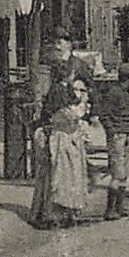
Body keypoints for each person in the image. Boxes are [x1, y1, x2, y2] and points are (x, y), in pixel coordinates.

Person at [30, 78, 93, 228]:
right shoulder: (62, 111)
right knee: (60, 178)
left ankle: (64, 213)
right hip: (61, 143)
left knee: (67, 178)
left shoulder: (61, 107)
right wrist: (83, 103)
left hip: (68, 143)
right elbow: (73, 116)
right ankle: (53, 214)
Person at [93, 64, 129, 220]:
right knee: (116, 173)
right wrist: (112, 132)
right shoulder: (114, 93)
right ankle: (110, 209)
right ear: (127, 78)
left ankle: (120, 206)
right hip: (118, 135)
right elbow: (103, 114)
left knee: (125, 172)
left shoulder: (128, 92)